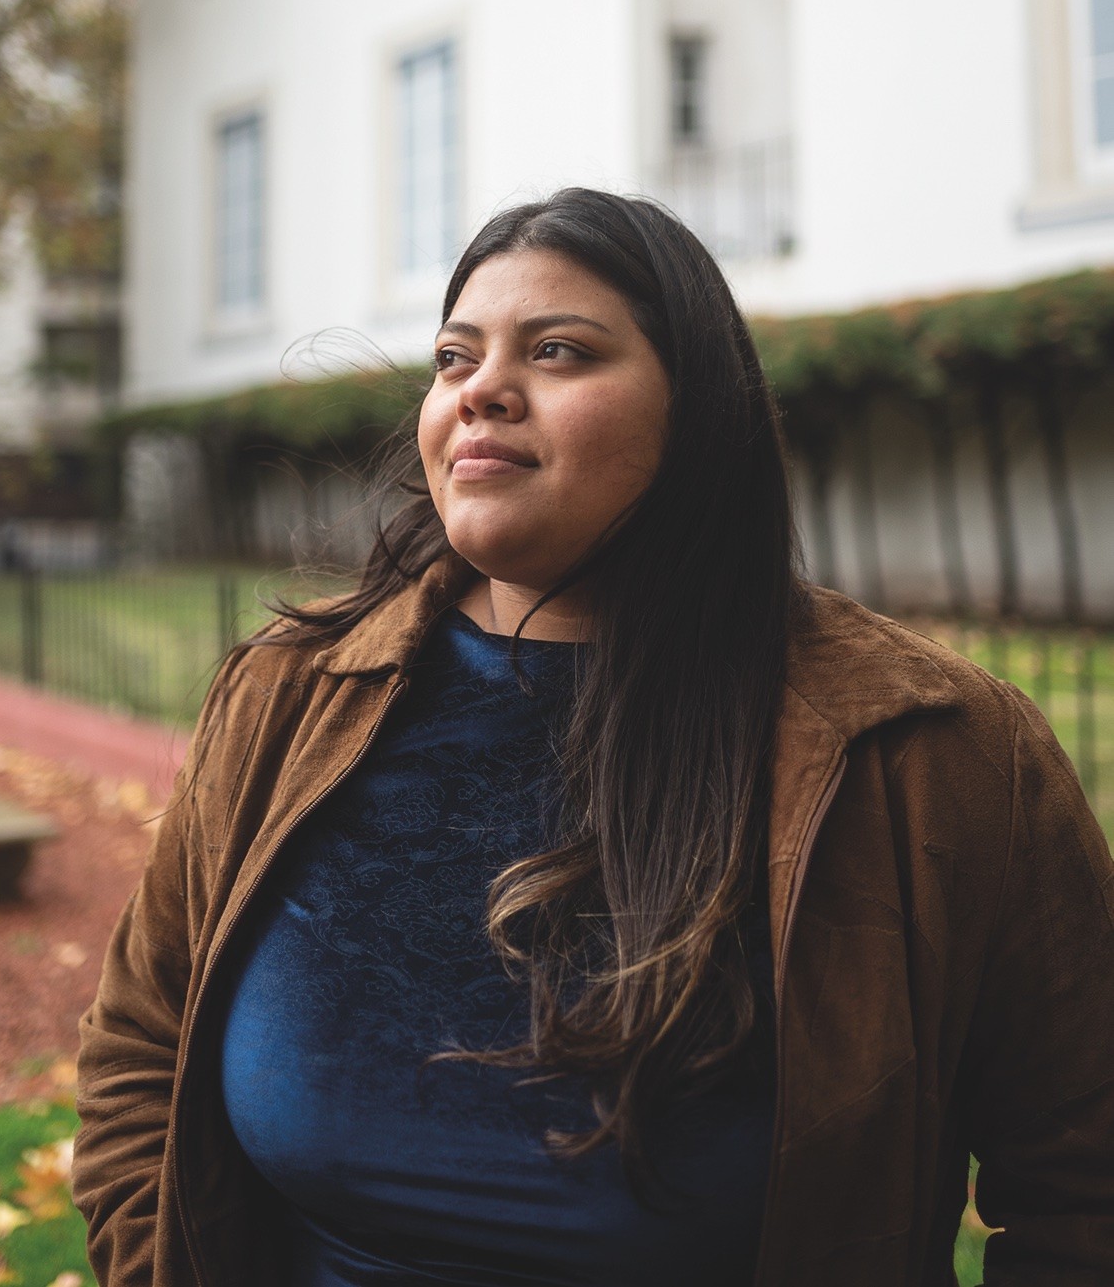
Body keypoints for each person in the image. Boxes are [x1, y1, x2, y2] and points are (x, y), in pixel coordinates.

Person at [73, 189, 1114, 1287]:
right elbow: (143, 1049)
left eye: (559, 349)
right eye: (451, 356)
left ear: (697, 409)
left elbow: (1085, 1175)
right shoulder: (284, 700)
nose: (480, 389)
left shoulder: (938, 753)